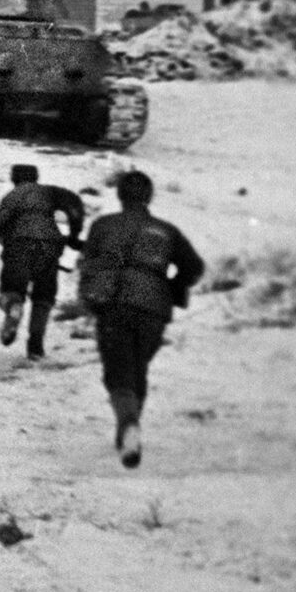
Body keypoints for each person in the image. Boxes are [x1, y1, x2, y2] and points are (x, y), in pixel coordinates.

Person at [80, 171, 204, 468]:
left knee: (118, 372)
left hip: (114, 304)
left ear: (120, 195)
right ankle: (128, 431)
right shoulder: (166, 230)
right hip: (154, 307)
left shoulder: (103, 224)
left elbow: (88, 264)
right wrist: (172, 287)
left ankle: (128, 426)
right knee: (138, 368)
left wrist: (92, 295)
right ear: (149, 196)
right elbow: (194, 267)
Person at [0, 164, 84, 361]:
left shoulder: (14, 195)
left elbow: (0, 218)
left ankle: (13, 307)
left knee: (12, 291)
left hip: (20, 246)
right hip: (50, 246)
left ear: (14, 179)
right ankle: (35, 346)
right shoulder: (49, 192)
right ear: (36, 177)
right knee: (43, 298)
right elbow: (74, 204)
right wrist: (75, 235)